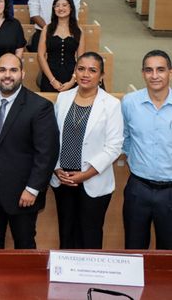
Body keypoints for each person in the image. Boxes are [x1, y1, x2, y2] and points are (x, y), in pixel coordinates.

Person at [0, 53, 59, 249]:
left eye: (13, 70)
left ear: (22, 74)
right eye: (2, 70)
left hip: (22, 192)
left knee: (24, 245)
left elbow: (46, 153)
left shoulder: (40, 107)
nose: (7, 75)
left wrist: (33, 189)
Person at [121, 50, 172, 250]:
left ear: (171, 73)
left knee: (170, 249)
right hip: (138, 188)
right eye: (149, 70)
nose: (154, 75)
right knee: (134, 247)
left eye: (160, 70)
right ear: (143, 73)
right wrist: (138, 160)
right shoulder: (130, 102)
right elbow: (125, 139)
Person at [50, 53, 123, 249]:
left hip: (93, 179)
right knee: (66, 233)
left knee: (89, 235)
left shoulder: (111, 104)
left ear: (101, 75)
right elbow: (53, 137)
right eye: (81, 69)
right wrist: (56, 168)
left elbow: (114, 146)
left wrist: (85, 174)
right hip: (63, 178)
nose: (85, 74)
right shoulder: (63, 98)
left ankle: (90, 279)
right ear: (75, 71)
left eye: (92, 70)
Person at [37, 0, 85, 92]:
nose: (60, 8)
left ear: (71, 8)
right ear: (54, 9)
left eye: (64, 5)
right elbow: (41, 56)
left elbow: (81, 59)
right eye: (57, 5)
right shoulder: (47, 28)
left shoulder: (78, 30)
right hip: (49, 75)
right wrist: (52, 80)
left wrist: (72, 81)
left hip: (71, 75)